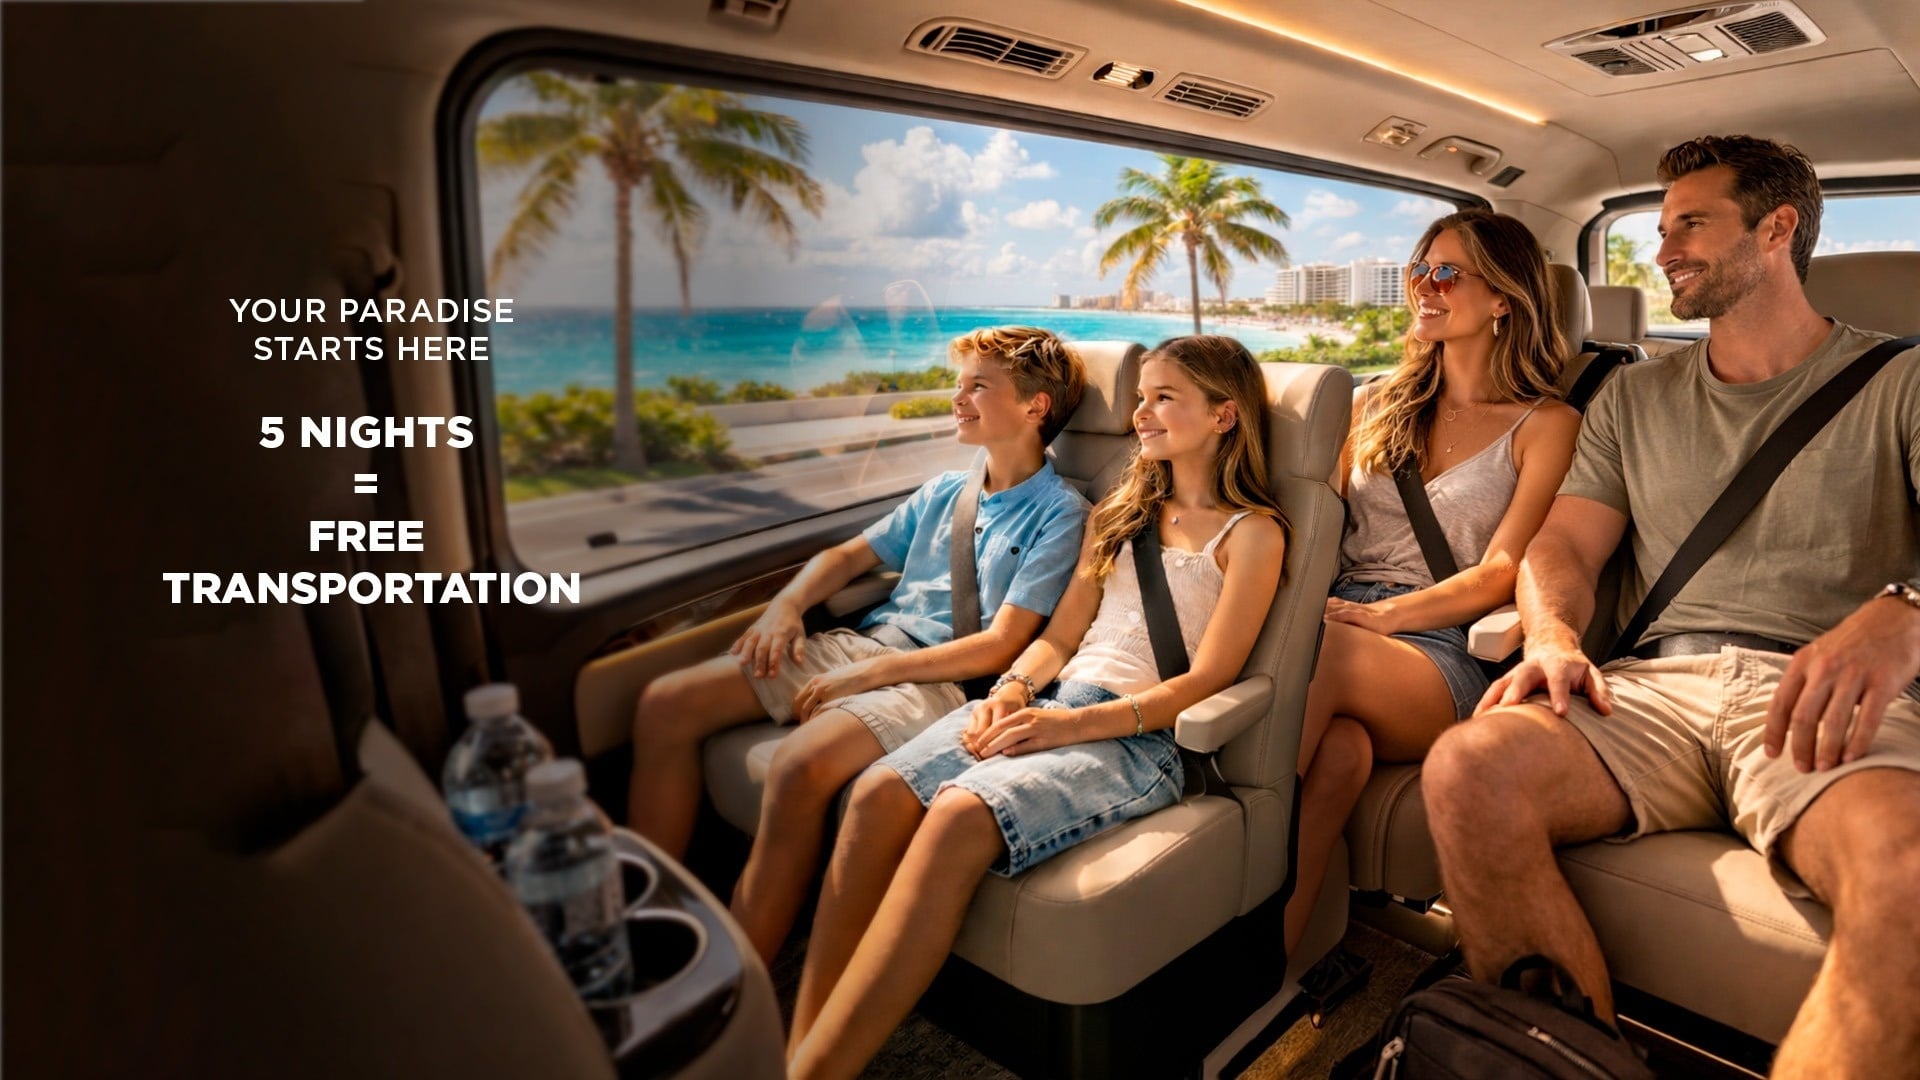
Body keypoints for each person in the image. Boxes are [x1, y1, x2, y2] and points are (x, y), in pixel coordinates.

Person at [1422, 135, 1920, 1077]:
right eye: (1659, 228)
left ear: (1778, 229)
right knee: (1467, 769)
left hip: (1826, 702)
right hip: (1654, 687)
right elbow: (1563, 545)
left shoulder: (1904, 383)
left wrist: (1904, 610)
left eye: (1692, 222)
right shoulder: (1631, 398)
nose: (1664, 250)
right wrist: (1558, 634)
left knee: (1906, 868)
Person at [782, 335, 1289, 1080]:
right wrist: (1017, 690)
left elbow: (1205, 679)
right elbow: (1056, 641)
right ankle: (802, 1044)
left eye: (1163, 398)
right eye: (1140, 397)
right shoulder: (1118, 513)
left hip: (1135, 737)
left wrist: (1072, 724)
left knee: (956, 814)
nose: (1141, 413)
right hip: (1049, 701)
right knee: (876, 794)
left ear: (1224, 416)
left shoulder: (1254, 534)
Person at [627, 325, 1091, 964]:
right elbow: (847, 556)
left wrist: (868, 679)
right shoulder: (942, 492)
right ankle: (640, 922)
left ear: (1035, 407)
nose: (958, 398)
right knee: (665, 703)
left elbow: (1001, 645)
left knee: (794, 767)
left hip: (936, 680)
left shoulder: (1061, 515)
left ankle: (738, 982)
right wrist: (786, 607)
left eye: (978, 386)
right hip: (865, 645)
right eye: (959, 385)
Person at [1280, 210, 1580, 956]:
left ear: (1505, 298)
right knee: (1340, 752)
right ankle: (1274, 954)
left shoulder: (1547, 425)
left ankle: (1212, 853)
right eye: (1419, 270)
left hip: (1444, 649)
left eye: (1448, 273)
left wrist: (1384, 621)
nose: (1425, 286)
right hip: (1344, 619)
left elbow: (1503, 573)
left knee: (1318, 654)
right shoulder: (1370, 405)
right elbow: (1318, 533)